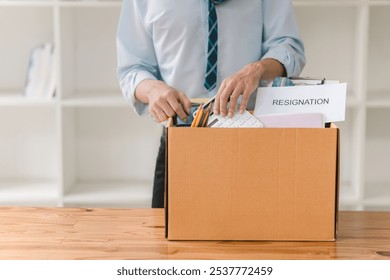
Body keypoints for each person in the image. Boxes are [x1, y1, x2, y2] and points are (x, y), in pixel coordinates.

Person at [117, 0, 306, 208]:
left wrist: (257, 69)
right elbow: (131, 69)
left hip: (253, 139)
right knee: (168, 237)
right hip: (181, 140)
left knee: (258, 236)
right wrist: (153, 90)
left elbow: (290, 48)